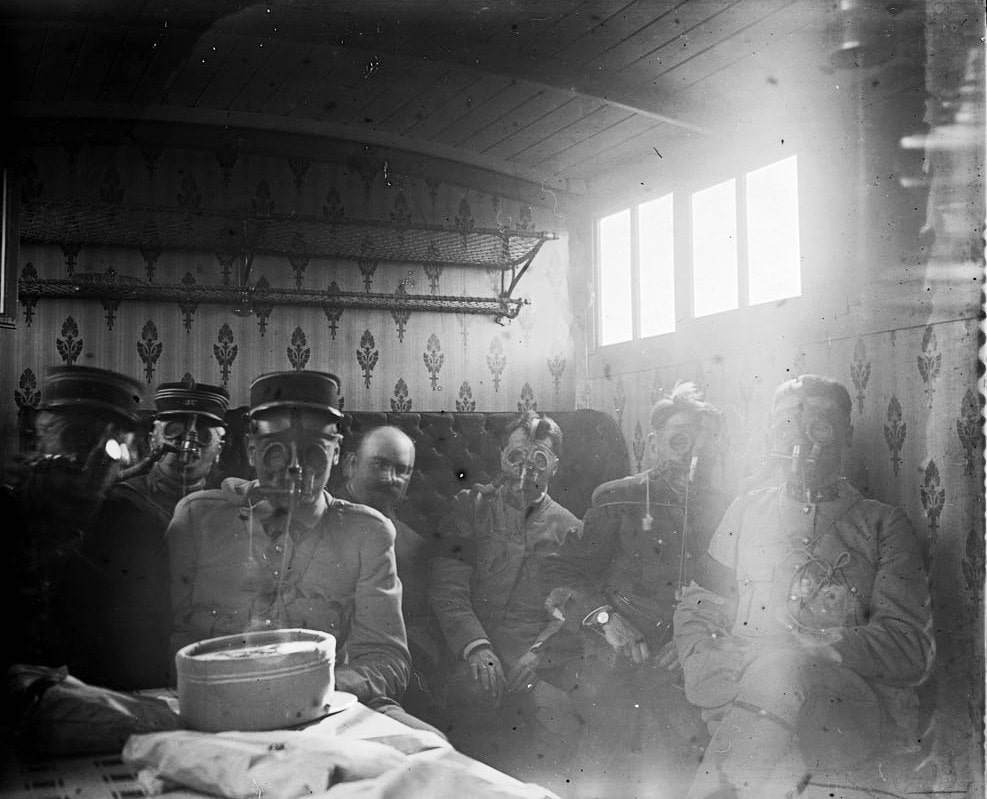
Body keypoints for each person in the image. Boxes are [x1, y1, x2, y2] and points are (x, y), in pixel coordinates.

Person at [673, 374, 935, 799]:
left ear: (845, 435)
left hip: (848, 704)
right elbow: (697, 609)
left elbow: (911, 647)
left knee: (781, 670)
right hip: (756, 709)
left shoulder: (882, 523)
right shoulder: (746, 511)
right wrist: (719, 689)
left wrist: (825, 645)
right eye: (788, 424)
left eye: (821, 424)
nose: (804, 440)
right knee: (777, 771)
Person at [167, 371, 412, 717]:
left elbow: (388, 659)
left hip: (329, 703)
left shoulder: (367, 533)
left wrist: (314, 689)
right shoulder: (198, 520)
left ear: (338, 451)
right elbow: (165, 635)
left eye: (314, 454)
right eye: (276, 453)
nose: (295, 469)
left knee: (432, 752)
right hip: (218, 704)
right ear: (252, 450)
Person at [537, 382, 731, 793]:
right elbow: (559, 574)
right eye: (678, 436)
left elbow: (742, 595)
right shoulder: (619, 499)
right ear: (654, 443)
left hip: (691, 655)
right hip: (615, 648)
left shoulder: (731, 506)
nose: (689, 450)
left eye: (702, 440)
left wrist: (699, 638)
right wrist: (605, 619)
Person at [428, 410, 580, 773]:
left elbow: (570, 608)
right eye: (516, 457)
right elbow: (448, 588)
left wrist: (538, 655)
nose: (527, 471)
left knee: (561, 721)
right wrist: (477, 648)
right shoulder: (469, 507)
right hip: (473, 651)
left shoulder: (569, 528)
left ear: (554, 466)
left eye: (539, 460)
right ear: (502, 458)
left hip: (533, 658)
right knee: (473, 698)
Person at [60, 379, 230, 690]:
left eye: (203, 437)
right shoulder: (117, 504)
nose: (186, 447)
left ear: (220, 450)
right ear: (153, 438)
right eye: (174, 431)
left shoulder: (227, 510)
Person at [1, 365, 145, 676]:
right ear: (42, 438)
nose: (92, 457)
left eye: (110, 443)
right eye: (77, 436)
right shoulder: (9, 515)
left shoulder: (131, 525)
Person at [336, 425, 442, 721]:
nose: (389, 478)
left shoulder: (412, 547)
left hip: (373, 686)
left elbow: (420, 627)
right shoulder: (316, 519)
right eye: (379, 464)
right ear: (350, 464)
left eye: (401, 470)